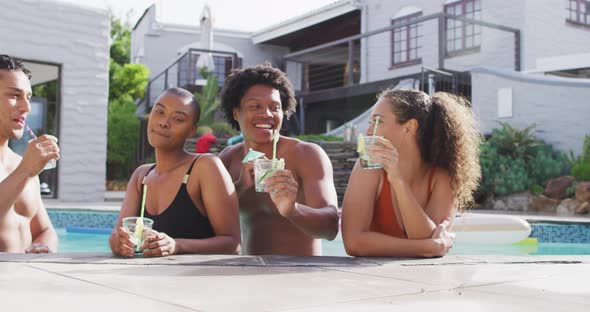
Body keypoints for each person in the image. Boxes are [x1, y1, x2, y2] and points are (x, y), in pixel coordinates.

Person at [342, 89, 482, 257]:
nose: (368, 131)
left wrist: (398, 181)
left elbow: (425, 238)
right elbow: (353, 243)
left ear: (409, 128)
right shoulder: (369, 168)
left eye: (377, 121)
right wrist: (430, 247)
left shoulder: (443, 177)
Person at [218, 64, 339, 256]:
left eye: (275, 107)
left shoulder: (306, 155)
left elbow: (331, 226)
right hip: (247, 275)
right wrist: (240, 187)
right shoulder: (228, 159)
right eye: (255, 106)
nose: (266, 114)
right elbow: (208, 222)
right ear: (236, 113)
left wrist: (292, 209)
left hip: (301, 275)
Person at [109, 87, 241, 257]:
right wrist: (118, 242)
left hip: (194, 280)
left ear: (192, 130)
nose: (163, 122)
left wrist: (177, 245)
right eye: (159, 112)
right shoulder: (141, 176)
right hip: (146, 280)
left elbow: (232, 244)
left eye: (178, 119)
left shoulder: (205, 167)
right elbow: (117, 235)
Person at [0, 55, 59, 253]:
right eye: (15, 96)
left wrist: (43, 246)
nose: (26, 107)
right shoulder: (25, 168)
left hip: (25, 281)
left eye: (28, 97)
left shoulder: (23, 164)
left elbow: (45, 230)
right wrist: (26, 171)